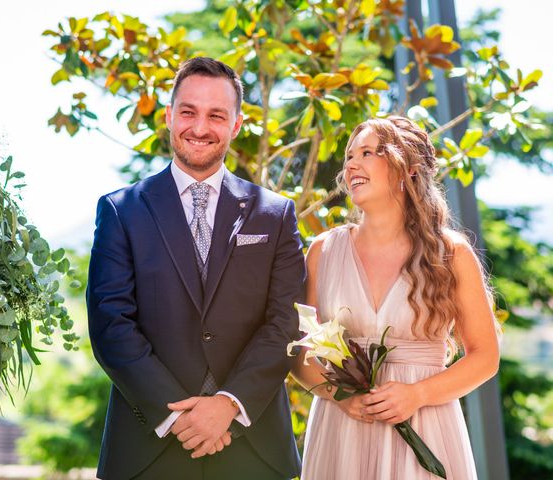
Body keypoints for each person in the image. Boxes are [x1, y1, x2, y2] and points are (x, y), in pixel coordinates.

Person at [87, 57, 305, 480]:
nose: (200, 127)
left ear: (237, 125)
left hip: (253, 446)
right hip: (147, 447)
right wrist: (181, 417)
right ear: (169, 116)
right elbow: (111, 325)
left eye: (216, 115)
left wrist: (227, 404)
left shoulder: (275, 215)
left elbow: (286, 322)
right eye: (188, 112)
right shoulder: (120, 210)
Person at [291, 116, 500, 479]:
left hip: (426, 425)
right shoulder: (323, 251)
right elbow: (300, 353)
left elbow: (485, 357)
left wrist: (417, 395)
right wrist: (343, 398)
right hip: (342, 432)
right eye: (349, 156)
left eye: (368, 153)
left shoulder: (451, 254)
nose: (352, 164)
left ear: (407, 170)